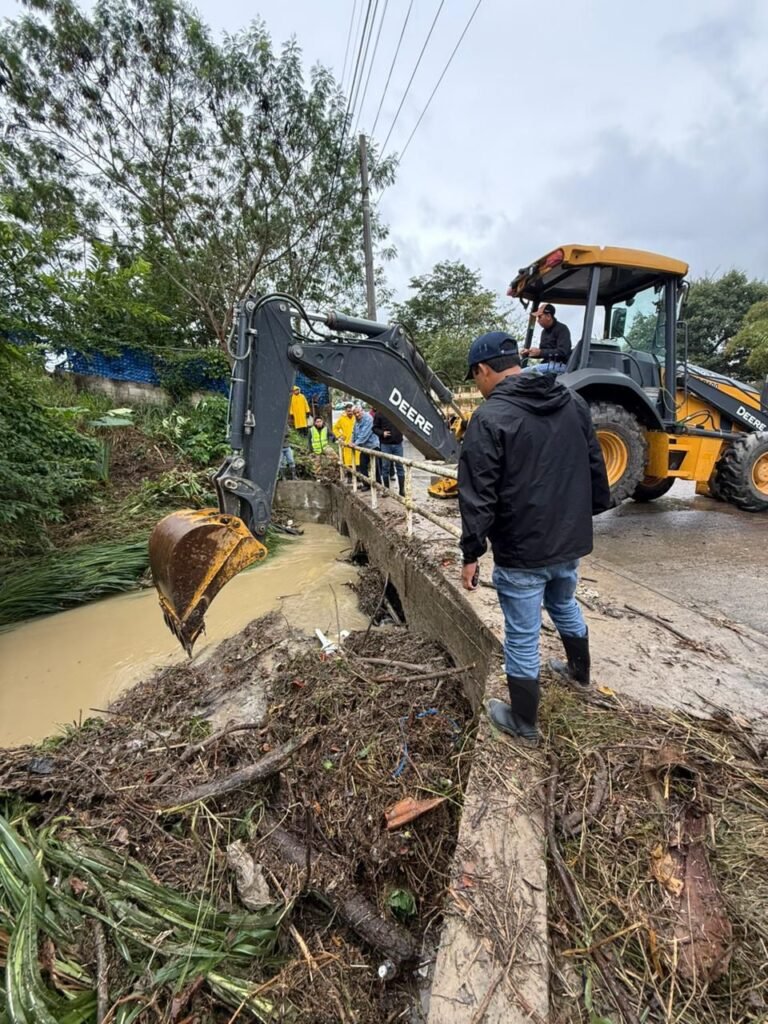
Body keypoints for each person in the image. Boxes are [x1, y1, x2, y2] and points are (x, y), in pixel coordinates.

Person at [458, 331, 611, 745]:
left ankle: (524, 722)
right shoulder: (572, 401)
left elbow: (478, 495)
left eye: (475, 378)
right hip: (568, 542)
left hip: (522, 550)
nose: (478, 386)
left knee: (523, 636)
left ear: (483, 369)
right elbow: (594, 465)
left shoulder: (489, 418)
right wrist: (587, 516)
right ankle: (579, 674)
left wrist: (471, 553)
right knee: (564, 603)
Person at [521, 303, 572, 374]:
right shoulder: (544, 332)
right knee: (524, 373)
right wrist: (530, 353)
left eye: (539, 317)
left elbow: (562, 352)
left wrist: (540, 352)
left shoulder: (562, 329)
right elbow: (543, 352)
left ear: (548, 316)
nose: (538, 320)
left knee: (523, 373)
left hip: (560, 365)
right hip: (547, 364)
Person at [372, 410, 405, 496]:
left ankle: (402, 491)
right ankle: (386, 490)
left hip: (398, 444)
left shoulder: (398, 411)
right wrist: (382, 433)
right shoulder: (379, 413)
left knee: (400, 466)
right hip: (385, 444)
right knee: (385, 467)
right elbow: (374, 428)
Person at [352, 405, 380, 487]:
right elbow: (354, 432)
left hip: (373, 445)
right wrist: (351, 441)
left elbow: (364, 434)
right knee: (362, 465)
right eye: (355, 413)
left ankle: (379, 485)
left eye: (358, 412)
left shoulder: (368, 419)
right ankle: (366, 484)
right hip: (364, 447)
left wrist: (355, 443)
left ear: (362, 410)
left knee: (375, 466)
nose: (357, 415)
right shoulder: (356, 420)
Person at [335, 403, 358, 480]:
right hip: (347, 443)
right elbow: (335, 428)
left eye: (351, 411)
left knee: (358, 461)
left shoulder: (356, 417)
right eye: (348, 411)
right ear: (345, 411)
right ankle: (349, 478)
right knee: (348, 461)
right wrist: (340, 435)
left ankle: (358, 478)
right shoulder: (342, 419)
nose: (350, 413)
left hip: (356, 442)